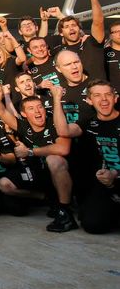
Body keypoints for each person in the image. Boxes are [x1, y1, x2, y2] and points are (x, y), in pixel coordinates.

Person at [0, 80, 76, 232]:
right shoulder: (23, 126)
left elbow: (63, 148)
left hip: (56, 173)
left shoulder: (55, 123)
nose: (38, 111)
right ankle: (43, 197)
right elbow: (0, 111)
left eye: (40, 107)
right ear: (24, 114)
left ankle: (65, 211)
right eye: (31, 109)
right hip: (34, 173)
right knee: (4, 185)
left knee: (54, 159)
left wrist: (31, 152)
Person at [51, 80, 120, 233]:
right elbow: (63, 131)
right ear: (89, 100)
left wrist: (116, 173)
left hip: (115, 176)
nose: (103, 99)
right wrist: (56, 99)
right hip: (106, 185)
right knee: (91, 224)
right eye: (97, 95)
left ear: (115, 98)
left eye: (108, 94)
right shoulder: (88, 123)